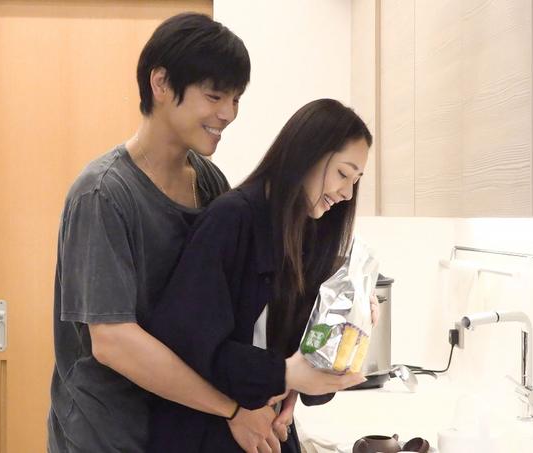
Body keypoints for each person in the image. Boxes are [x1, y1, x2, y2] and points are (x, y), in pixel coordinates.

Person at [47, 13, 356, 453]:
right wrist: (232, 410)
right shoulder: (103, 194)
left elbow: (231, 312)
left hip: (181, 423)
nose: (227, 114)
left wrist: (284, 385)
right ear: (160, 83)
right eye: (214, 96)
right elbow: (114, 342)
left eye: (235, 99)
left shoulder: (210, 183)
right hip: (109, 432)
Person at [147, 98, 375, 453]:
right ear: (307, 155)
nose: (347, 193)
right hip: (205, 432)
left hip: (269, 430)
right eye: (343, 174)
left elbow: (301, 359)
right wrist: (283, 376)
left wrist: (349, 324)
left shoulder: (307, 232)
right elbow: (189, 347)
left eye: (355, 181)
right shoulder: (231, 219)